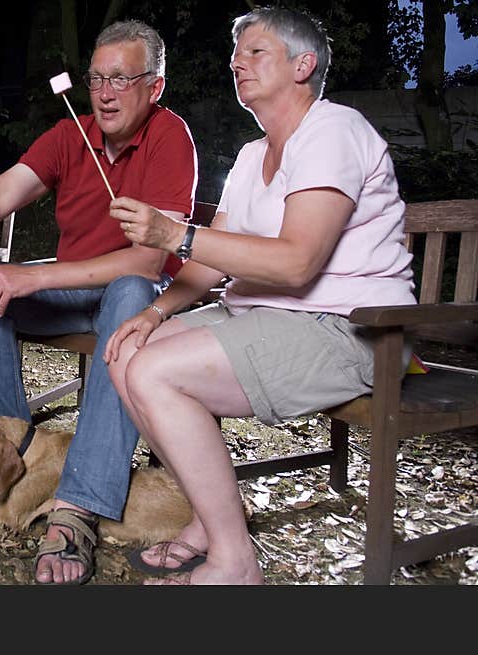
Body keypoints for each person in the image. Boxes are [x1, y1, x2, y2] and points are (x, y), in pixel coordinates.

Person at [0, 20, 197, 584]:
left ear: (155, 86)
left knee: (129, 289)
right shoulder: (72, 131)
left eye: (122, 79)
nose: (105, 91)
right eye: (97, 77)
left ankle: (78, 506)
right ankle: (13, 455)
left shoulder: (172, 140)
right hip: (74, 288)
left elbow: (147, 264)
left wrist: (36, 277)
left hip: (137, 296)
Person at [102, 7, 416, 585]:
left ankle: (234, 561)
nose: (237, 63)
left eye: (255, 51)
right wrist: (154, 310)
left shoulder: (334, 130)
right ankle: (208, 519)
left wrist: (175, 233)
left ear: (304, 65)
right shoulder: (251, 156)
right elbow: (205, 262)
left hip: (352, 328)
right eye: (235, 54)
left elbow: (298, 263)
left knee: (155, 373)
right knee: (125, 353)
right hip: (262, 315)